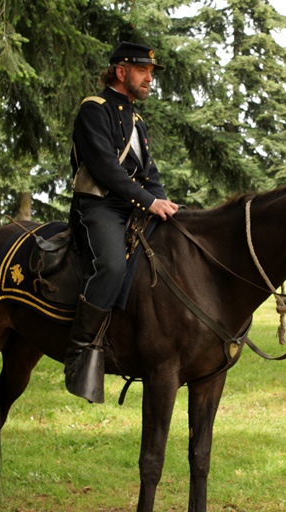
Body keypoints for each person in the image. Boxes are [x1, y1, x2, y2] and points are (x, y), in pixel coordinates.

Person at [66, 41, 179, 402]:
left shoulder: (136, 119)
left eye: (151, 73)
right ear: (121, 71)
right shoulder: (93, 110)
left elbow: (149, 171)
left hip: (131, 208)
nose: (150, 79)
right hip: (98, 206)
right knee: (112, 267)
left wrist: (163, 202)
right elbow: (105, 169)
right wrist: (148, 201)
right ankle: (82, 348)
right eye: (144, 71)